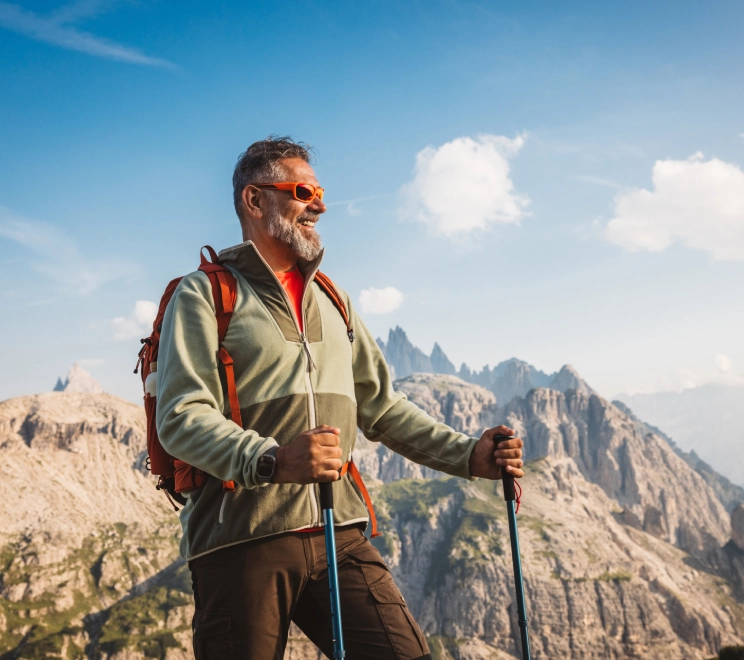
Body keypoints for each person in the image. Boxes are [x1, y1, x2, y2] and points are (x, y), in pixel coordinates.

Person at [156, 136, 524, 660]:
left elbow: (384, 408)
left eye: (320, 191)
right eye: (302, 191)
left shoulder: (333, 299)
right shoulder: (205, 294)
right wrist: (273, 459)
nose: (320, 205)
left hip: (338, 530)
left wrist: (468, 455)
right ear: (254, 201)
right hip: (241, 540)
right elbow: (181, 416)